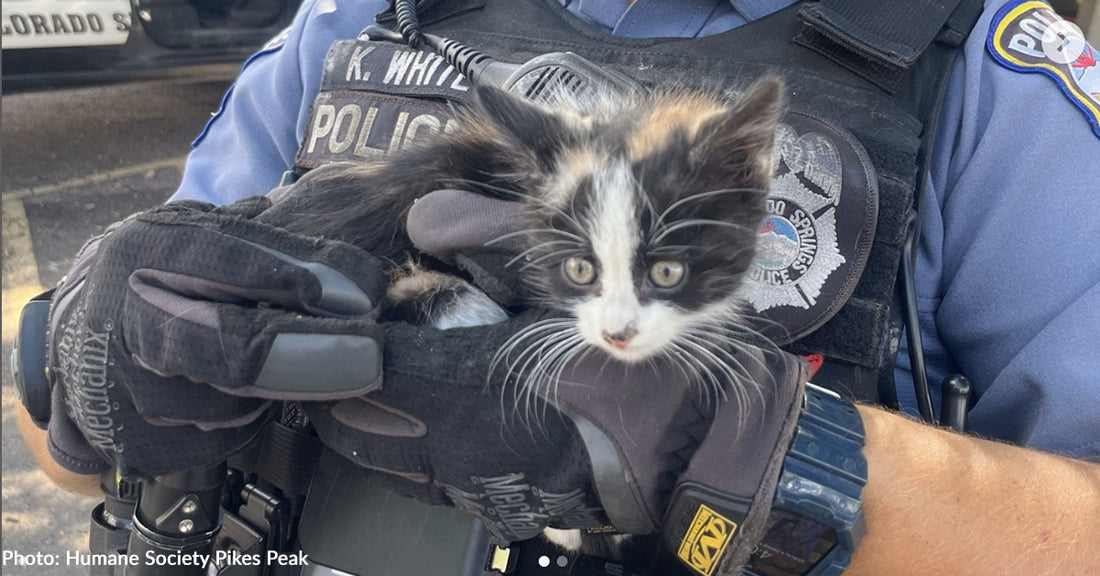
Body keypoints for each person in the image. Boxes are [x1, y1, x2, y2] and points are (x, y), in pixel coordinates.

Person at [15, 0, 1100, 575]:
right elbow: (66, 452)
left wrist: (734, 453)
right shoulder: (356, 22)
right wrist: (85, 370)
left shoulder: (989, 84)